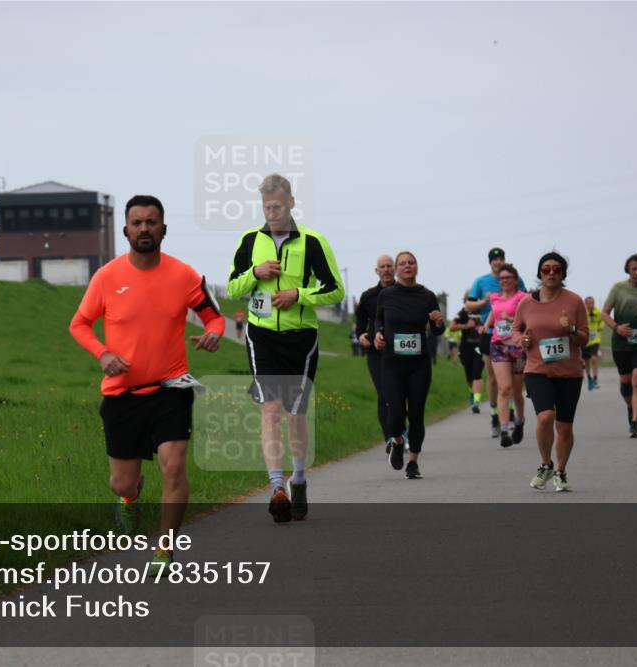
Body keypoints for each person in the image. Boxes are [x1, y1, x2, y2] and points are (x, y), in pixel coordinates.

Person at [69, 195, 224, 570]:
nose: (144, 229)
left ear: (164, 229)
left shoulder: (185, 275)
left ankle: (165, 548)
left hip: (171, 389)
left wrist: (214, 333)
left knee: (173, 465)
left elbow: (214, 318)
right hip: (123, 394)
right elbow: (79, 325)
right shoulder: (106, 277)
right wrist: (103, 355)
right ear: (125, 230)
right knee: (121, 481)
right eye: (137, 223)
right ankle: (130, 496)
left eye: (151, 222)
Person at [227, 173, 344, 522]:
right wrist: (255, 272)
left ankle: (299, 478)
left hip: (301, 338)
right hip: (261, 335)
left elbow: (335, 290)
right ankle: (277, 487)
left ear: (291, 203)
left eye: (277, 206)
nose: (272, 212)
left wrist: (299, 295)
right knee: (270, 410)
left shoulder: (312, 242)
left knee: (295, 416)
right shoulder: (250, 241)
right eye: (266, 207)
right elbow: (233, 288)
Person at [513, 252, 588, 492]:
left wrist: (572, 329)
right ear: (539, 273)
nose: (551, 273)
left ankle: (561, 471)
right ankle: (545, 464)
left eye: (557, 269)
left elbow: (584, 339)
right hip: (537, 369)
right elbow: (516, 330)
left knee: (564, 426)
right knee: (545, 417)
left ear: (564, 274)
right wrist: (521, 340)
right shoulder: (526, 302)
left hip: (569, 372)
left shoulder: (574, 301)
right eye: (546, 269)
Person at [374, 251, 446, 479]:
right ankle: (397, 441)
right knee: (395, 414)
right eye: (402, 263)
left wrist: (438, 323)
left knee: (416, 414)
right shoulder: (386, 295)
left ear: (417, 267)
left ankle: (413, 461)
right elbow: (378, 320)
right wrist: (377, 334)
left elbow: (437, 331)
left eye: (411, 263)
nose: (407, 266)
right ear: (396, 269)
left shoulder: (427, 296)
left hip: (419, 365)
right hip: (392, 365)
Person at [467, 248, 527, 438]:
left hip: (516, 341)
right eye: (494, 259)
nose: (497, 261)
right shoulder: (482, 283)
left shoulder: (520, 289)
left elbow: (528, 309)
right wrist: (484, 317)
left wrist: (519, 327)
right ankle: (498, 420)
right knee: (496, 380)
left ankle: (516, 417)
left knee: (516, 389)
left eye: (500, 258)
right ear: (490, 262)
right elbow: (470, 305)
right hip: (493, 338)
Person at [601, 253, 637, 438]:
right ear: (628, 269)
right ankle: (630, 406)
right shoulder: (618, 288)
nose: (636, 273)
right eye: (633, 269)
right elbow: (604, 313)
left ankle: (635, 423)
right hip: (621, 342)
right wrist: (617, 327)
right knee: (626, 384)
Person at [482, 263, 528, 448]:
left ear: (515, 280)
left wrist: (513, 320)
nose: (505, 281)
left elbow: (528, 319)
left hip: (517, 347)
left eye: (508, 277)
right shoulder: (495, 297)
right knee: (504, 389)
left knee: (517, 392)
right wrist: (486, 325)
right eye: (502, 278)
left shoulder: (523, 298)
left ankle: (520, 420)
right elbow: (495, 314)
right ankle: (504, 430)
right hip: (498, 345)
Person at [356, 254, 396, 451]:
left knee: (400, 394)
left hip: (400, 351)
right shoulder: (368, 296)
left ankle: (400, 433)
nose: (386, 269)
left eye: (389, 266)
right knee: (383, 393)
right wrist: (361, 335)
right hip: (375, 351)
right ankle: (389, 437)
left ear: (394, 269)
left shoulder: (404, 292)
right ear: (377, 271)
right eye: (383, 266)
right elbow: (360, 321)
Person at [451, 291, 484, 413]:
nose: (471, 302)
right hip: (466, 347)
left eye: (474, 299)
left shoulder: (483, 311)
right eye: (468, 300)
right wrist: (466, 326)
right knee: (469, 375)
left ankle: (476, 402)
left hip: (480, 346)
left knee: (477, 374)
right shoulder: (463, 312)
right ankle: (471, 392)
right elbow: (452, 327)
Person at [582, 296, 602, 390]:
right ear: (585, 304)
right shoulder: (582, 313)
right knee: (586, 361)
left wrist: (601, 326)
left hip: (595, 339)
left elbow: (602, 321)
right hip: (585, 340)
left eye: (592, 303)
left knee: (594, 358)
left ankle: (595, 379)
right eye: (589, 303)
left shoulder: (598, 312)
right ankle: (589, 378)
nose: (591, 305)